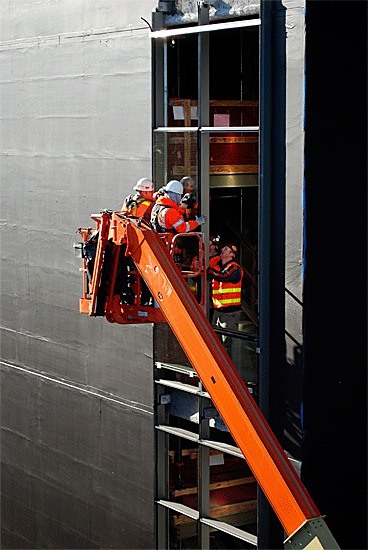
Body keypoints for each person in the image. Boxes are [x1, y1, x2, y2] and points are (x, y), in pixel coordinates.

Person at [207, 243, 244, 359]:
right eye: (223, 248)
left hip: (230, 314)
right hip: (218, 311)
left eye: (226, 249)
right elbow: (208, 265)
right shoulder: (217, 268)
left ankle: (231, 366)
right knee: (216, 342)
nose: (222, 249)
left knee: (229, 343)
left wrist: (209, 271)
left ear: (232, 254)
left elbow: (223, 276)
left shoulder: (235, 268)